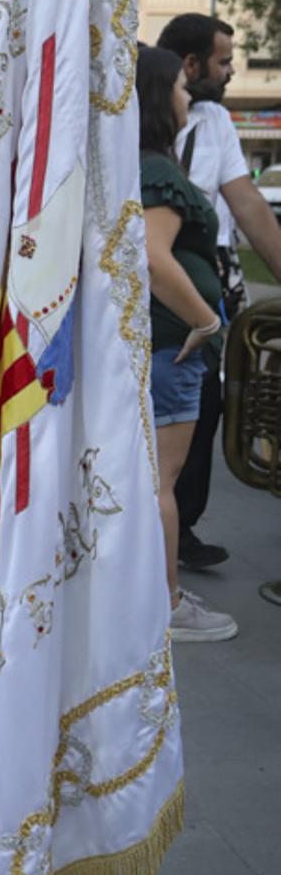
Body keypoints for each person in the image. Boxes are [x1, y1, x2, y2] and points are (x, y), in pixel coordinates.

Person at [156, 14, 281, 572]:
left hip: (206, 294)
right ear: (190, 64)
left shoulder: (214, 120)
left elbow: (249, 205)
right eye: (224, 60)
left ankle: (180, 530)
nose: (230, 71)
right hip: (150, 292)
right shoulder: (133, 113)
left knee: (203, 411)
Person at [137, 45, 237, 643]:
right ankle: (165, 604)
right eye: (179, 87)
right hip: (172, 345)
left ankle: (153, 592)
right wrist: (205, 320)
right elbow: (153, 256)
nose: (187, 97)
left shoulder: (143, 164)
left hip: (159, 344)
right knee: (160, 484)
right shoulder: (156, 169)